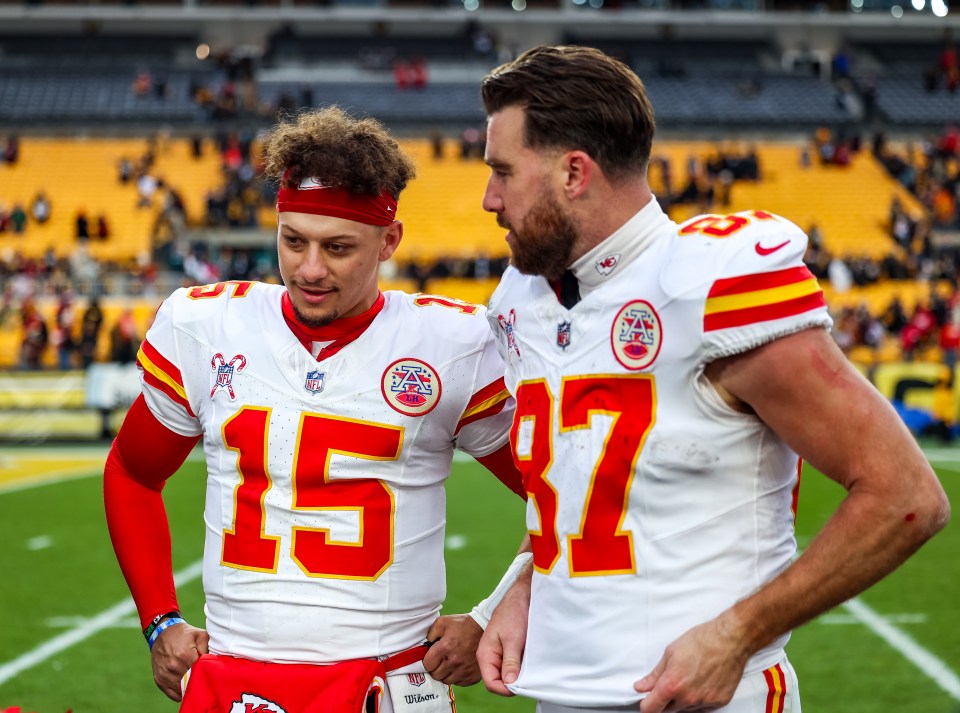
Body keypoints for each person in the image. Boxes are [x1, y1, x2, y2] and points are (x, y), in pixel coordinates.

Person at [475, 45, 950, 713]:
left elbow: (906, 495)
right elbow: (584, 483)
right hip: (562, 694)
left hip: (710, 699)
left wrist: (737, 633)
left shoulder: (709, 283)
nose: (490, 198)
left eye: (503, 171)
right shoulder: (525, 296)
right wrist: (522, 583)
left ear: (573, 172)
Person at [103, 106, 527, 713]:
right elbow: (133, 473)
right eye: (293, 240)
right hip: (235, 677)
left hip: (391, 678)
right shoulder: (205, 325)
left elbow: (562, 495)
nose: (309, 269)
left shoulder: (453, 345)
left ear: (389, 241)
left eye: (338, 248)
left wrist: (492, 612)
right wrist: (158, 620)